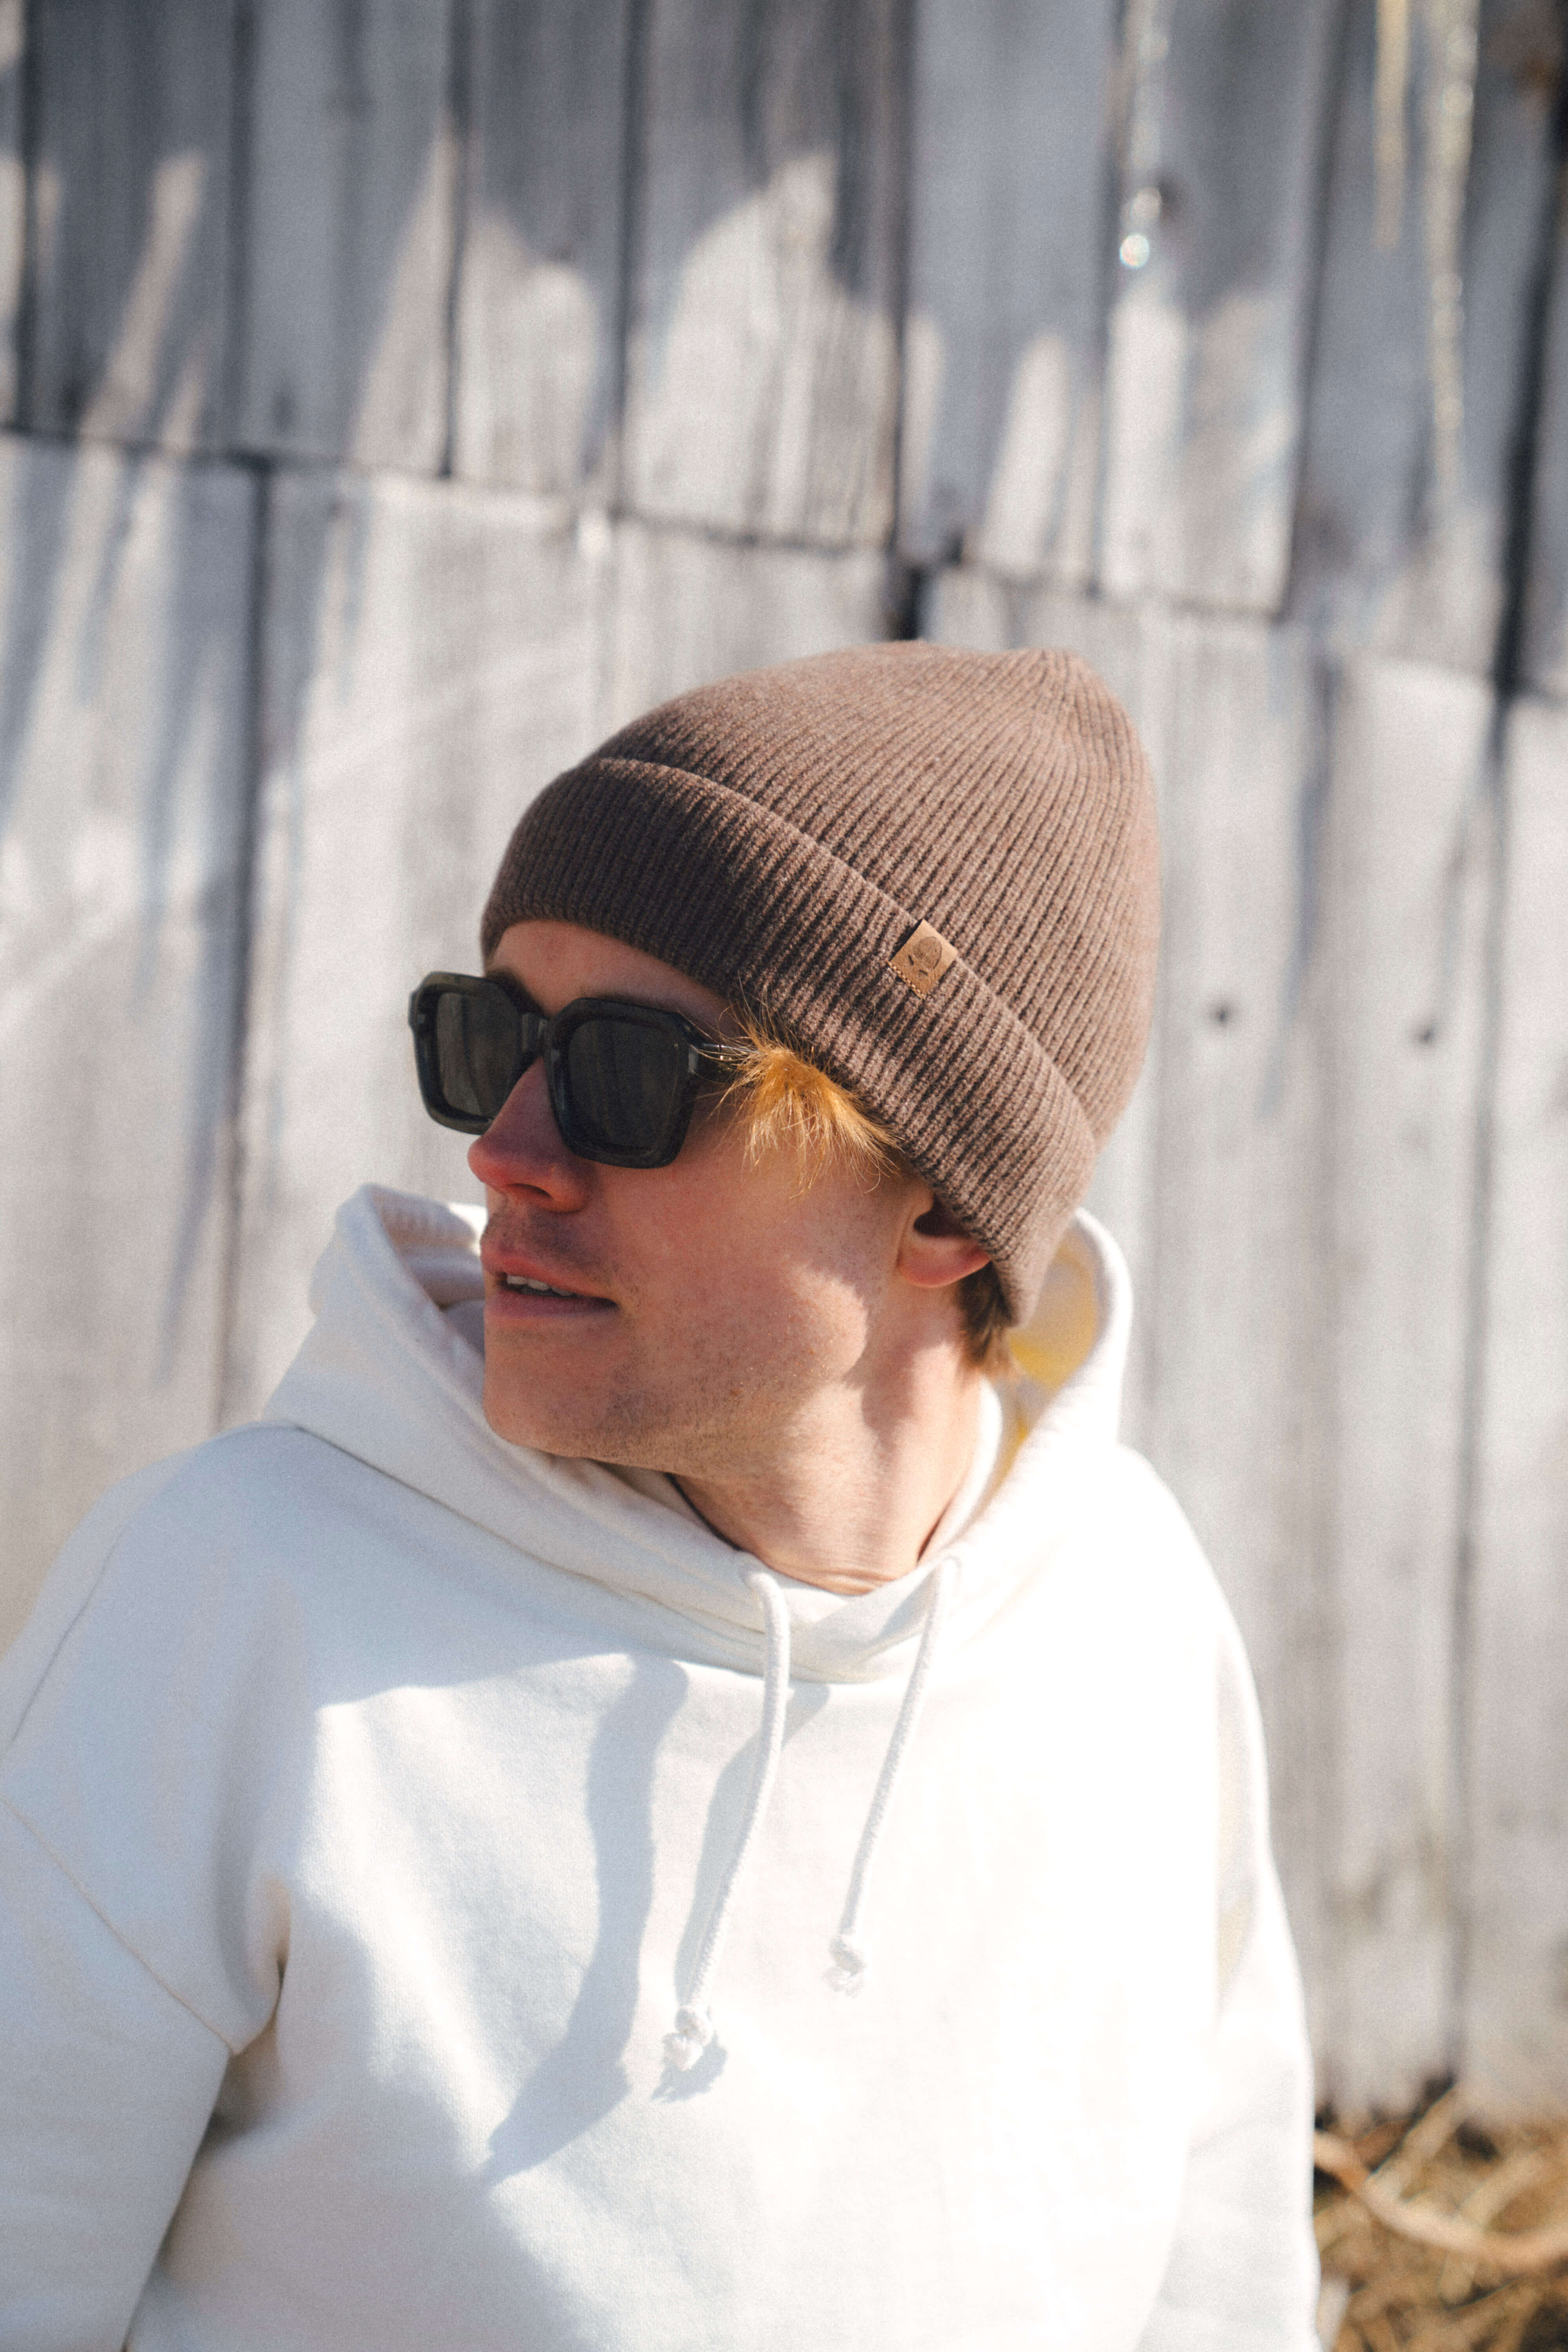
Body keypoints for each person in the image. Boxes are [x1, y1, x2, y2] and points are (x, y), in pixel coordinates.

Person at [0, 645, 1319, 2348]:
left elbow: (1226, 2296)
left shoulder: (1131, 1621)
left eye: (628, 1075)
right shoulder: (235, 1601)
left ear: (942, 1208)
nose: (504, 1150)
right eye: (492, 1038)